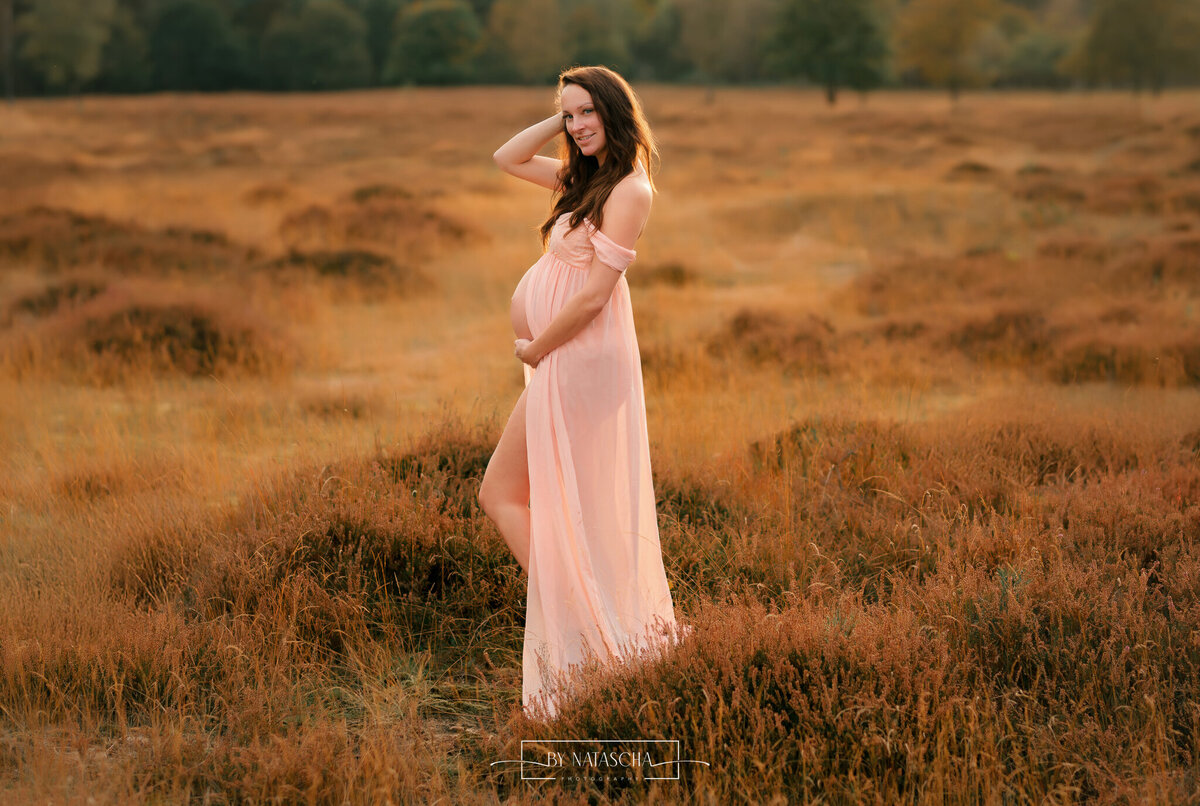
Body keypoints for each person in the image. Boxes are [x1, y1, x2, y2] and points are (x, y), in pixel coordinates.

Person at [478, 65, 689, 721]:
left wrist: (538, 349)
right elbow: (506, 158)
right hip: (563, 360)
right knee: (556, 501)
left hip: (580, 360)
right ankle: (594, 624)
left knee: (499, 492)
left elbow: (596, 296)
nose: (576, 125)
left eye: (588, 112)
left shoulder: (630, 190)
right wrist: (564, 122)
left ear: (615, 111)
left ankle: (585, 622)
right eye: (569, 114)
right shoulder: (583, 178)